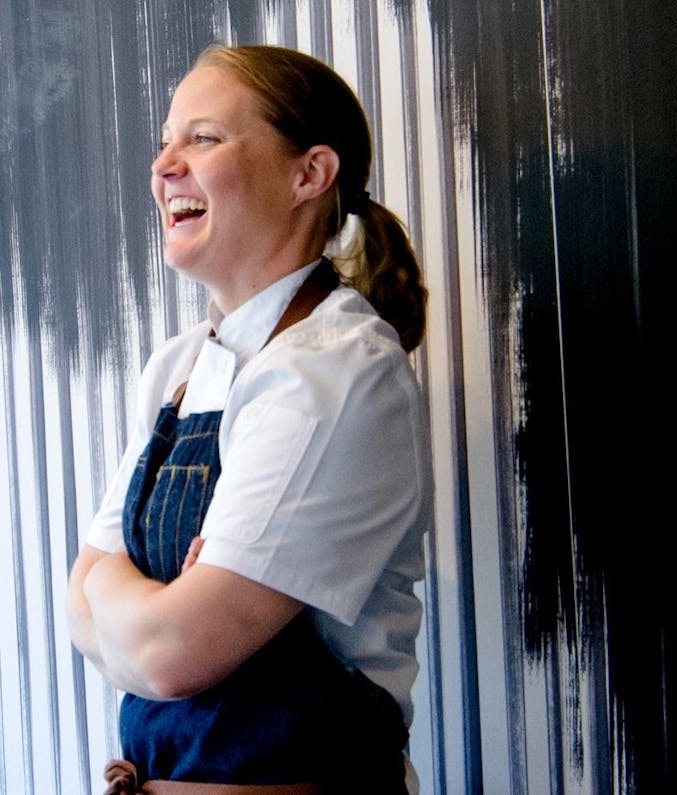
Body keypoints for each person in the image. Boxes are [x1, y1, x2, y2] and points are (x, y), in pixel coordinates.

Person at [66, 44, 433, 794]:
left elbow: (169, 654)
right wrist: (134, 599)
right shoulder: (177, 369)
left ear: (311, 173)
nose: (165, 164)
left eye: (202, 137)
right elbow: (78, 608)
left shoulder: (336, 371)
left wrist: (117, 590)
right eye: (163, 140)